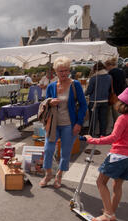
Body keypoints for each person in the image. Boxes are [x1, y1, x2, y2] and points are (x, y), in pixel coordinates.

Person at [83, 86, 128, 221]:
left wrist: (91, 139)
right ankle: (110, 211)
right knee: (117, 186)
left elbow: (113, 138)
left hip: (119, 156)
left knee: (101, 182)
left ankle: (108, 214)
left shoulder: (123, 118)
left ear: (124, 102)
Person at [39, 56, 88, 188]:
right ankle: (48, 174)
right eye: (61, 71)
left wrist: (78, 123)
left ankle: (59, 175)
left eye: (66, 70)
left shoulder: (75, 85)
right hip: (53, 124)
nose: (64, 73)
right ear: (55, 72)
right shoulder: (51, 86)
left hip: (69, 124)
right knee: (48, 150)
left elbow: (83, 105)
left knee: (65, 152)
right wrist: (50, 102)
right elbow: (45, 103)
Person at [85, 61, 112, 137]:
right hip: (105, 100)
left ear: (95, 69)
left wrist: (84, 93)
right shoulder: (109, 77)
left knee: (93, 119)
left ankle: (91, 135)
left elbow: (89, 91)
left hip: (94, 101)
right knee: (103, 119)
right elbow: (109, 89)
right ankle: (102, 134)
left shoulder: (94, 78)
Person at [104, 57, 127, 126]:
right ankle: (120, 125)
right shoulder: (121, 71)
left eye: (106, 67)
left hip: (114, 94)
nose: (106, 68)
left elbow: (109, 85)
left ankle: (117, 127)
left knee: (114, 113)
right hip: (122, 94)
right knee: (119, 111)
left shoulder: (110, 73)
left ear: (109, 66)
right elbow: (124, 83)